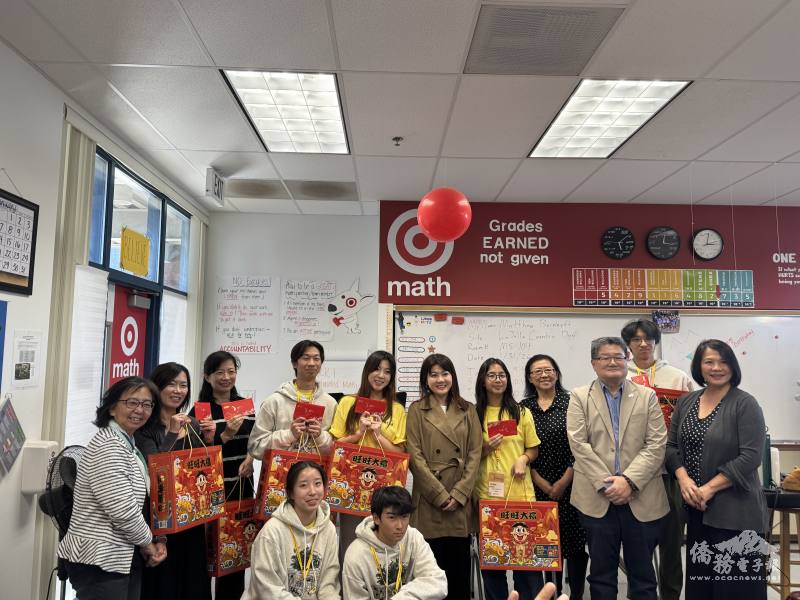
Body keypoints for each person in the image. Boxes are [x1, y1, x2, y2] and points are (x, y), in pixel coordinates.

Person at [566, 337, 668, 600]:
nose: (612, 362)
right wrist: (609, 483)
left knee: (643, 577)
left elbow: (657, 443)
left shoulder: (648, 396)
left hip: (641, 496)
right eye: (604, 357)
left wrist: (630, 481)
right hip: (597, 498)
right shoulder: (579, 397)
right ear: (593, 363)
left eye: (618, 356)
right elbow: (578, 444)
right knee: (601, 575)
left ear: (628, 360)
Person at [666, 339, 768, 599]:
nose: (716, 367)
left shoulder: (745, 404)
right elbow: (671, 446)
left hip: (736, 513)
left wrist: (708, 489)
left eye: (723, 361)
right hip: (698, 511)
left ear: (733, 366)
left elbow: (750, 457)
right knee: (702, 584)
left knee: (734, 587)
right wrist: (684, 481)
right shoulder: (687, 401)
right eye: (709, 362)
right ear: (699, 367)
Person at [59, 377, 167, 600]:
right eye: (132, 403)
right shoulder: (109, 447)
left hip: (118, 555)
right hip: (100, 560)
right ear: (111, 408)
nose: (140, 410)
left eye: (147, 405)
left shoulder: (126, 441)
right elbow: (123, 510)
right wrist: (148, 543)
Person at [621, 318, 697, 600]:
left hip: (671, 470)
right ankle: (639, 594)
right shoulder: (620, 376)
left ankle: (671, 594)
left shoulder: (677, 377)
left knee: (671, 539)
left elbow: (693, 418)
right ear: (628, 345)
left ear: (655, 342)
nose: (642, 344)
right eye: (636, 340)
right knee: (636, 541)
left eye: (648, 339)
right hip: (634, 470)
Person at [135, 362, 216, 600]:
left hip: (190, 516)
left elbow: (202, 468)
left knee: (192, 579)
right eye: (171, 384)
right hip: (161, 518)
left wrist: (209, 442)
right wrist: (171, 432)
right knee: (164, 582)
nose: (178, 390)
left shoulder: (193, 424)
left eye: (183, 385)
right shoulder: (145, 427)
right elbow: (155, 469)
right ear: (157, 387)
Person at [405, 353, 482, 600]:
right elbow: (414, 455)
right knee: (430, 576)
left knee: (459, 575)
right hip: (429, 501)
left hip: (459, 502)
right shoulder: (417, 410)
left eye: (445, 373)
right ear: (425, 380)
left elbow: (474, 453)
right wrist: (439, 494)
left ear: (453, 377)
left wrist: (459, 494)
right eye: (434, 374)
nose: (440, 379)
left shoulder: (467, 409)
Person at [474, 358, 543, 600]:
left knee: (527, 566)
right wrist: (485, 448)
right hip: (488, 498)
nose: (497, 380)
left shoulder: (520, 411)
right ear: (483, 381)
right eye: (492, 375)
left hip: (521, 497)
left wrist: (523, 459)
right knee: (494, 566)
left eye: (502, 375)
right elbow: (469, 455)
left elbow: (533, 449)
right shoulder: (474, 413)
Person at [521, 354, 587, 600]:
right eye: (537, 371)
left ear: (557, 374)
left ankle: (576, 594)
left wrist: (563, 481)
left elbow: (581, 445)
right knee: (546, 547)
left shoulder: (573, 403)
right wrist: (540, 481)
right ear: (530, 378)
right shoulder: (523, 407)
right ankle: (552, 594)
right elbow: (520, 448)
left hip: (572, 484)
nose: (544, 375)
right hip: (536, 486)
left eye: (548, 370)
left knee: (576, 547)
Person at [329, 350, 407, 560]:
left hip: (384, 488)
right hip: (351, 486)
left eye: (387, 371)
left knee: (383, 550)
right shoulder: (347, 403)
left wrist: (378, 434)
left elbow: (400, 454)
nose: (381, 375)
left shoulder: (397, 410)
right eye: (376, 369)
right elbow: (335, 446)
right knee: (350, 545)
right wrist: (358, 434)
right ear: (367, 372)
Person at [189, 350, 254, 600]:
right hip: (210, 492)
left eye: (231, 371)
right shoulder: (201, 411)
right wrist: (225, 435)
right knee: (206, 557)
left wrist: (251, 458)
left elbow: (254, 443)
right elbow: (196, 458)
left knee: (233, 558)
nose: (226, 377)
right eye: (219, 372)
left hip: (241, 489)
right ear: (207, 377)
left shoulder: (243, 406)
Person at [243, 460, 340, 599]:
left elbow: (329, 584)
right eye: (303, 485)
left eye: (318, 484)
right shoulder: (272, 532)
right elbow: (268, 589)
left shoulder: (328, 528)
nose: (312, 491)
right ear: (291, 493)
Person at [342, 486, 447, 600]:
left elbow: (438, 582)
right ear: (376, 518)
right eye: (392, 517)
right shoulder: (356, 554)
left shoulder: (414, 538)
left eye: (404, 517)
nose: (400, 526)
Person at [248, 340, 338, 459]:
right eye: (306, 358)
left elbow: (338, 452)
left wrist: (320, 436)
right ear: (294, 363)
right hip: (280, 474)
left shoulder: (330, 403)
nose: (312, 363)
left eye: (316, 358)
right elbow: (255, 447)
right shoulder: (274, 401)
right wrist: (289, 435)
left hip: (317, 475)